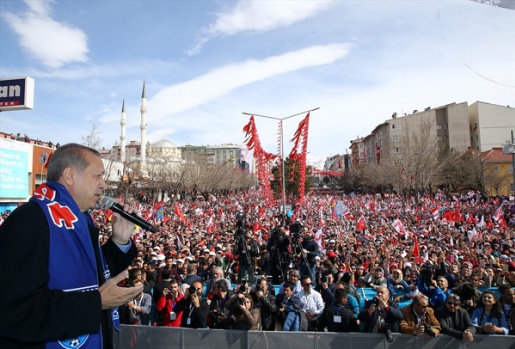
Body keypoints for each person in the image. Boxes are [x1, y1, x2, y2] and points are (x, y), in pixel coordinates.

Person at [0, 143, 143, 349]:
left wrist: (119, 241)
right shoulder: (31, 221)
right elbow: (15, 311)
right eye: (98, 176)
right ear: (69, 176)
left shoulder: (81, 220)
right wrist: (96, 303)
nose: (103, 185)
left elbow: (92, 275)